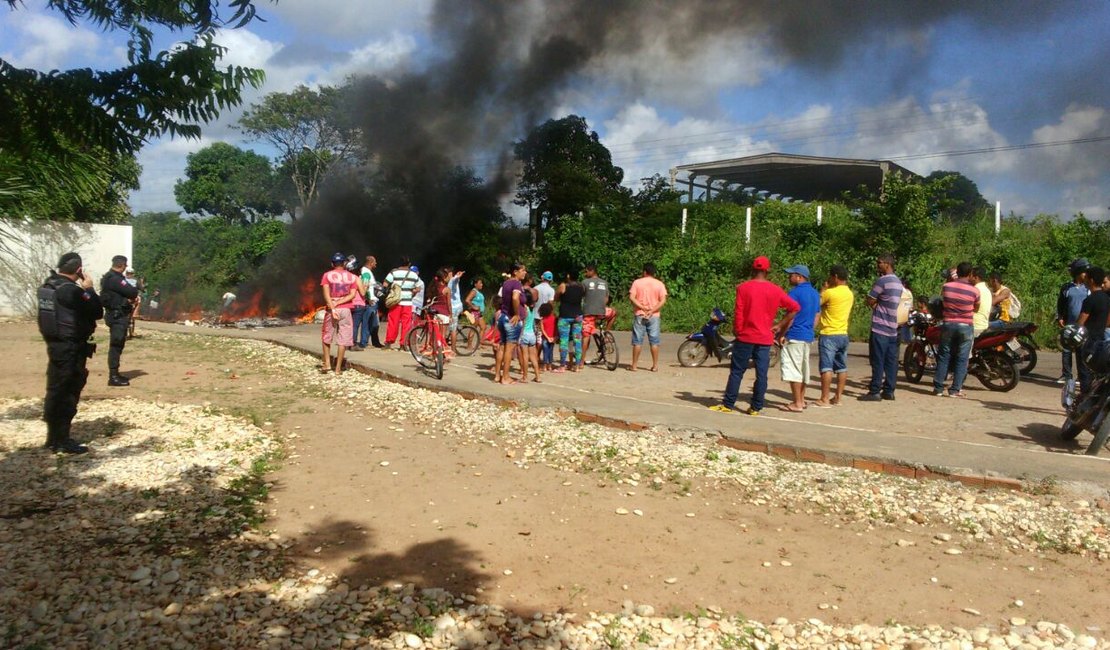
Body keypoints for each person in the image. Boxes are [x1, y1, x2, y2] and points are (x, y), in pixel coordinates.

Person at [710, 256, 800, 416]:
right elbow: (794, 308)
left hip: (746, 336)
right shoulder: (775, 289)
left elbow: (739, 312)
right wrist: (779, 325)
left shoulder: (743, 288)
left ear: (753, 269)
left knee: (737, 371)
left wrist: (737, 330)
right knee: (762, 374)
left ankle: (728, 404)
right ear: (767, 270)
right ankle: (756, 407)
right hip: (765, 338)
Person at [38, 252, 103, 454]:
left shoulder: (48, 286)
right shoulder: (71, 291)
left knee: (55, 388)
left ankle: (52, 437)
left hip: (55, 345)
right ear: (79, 270)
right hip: (71, 347)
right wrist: (89, 288)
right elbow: (96, 311)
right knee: (68, 391)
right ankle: (62, 439)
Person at [860, 253, 904, 402]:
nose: (877, 265)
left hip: (880, 326)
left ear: (887, 264)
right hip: (893, 327)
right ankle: (889, 390)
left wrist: (875, 304)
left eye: (879, 263)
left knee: (877, 360)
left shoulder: (882, 281)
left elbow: (871, 299)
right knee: (891, 361)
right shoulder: (898, 282)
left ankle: (874, 391)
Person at [933, 262, 980, 398]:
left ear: (957, 273)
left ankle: (938, 388)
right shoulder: (975, 291)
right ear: (970, 274)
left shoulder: (946, 287)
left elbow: (943, 303)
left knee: (944, 355)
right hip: (966, 326)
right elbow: (976, 308)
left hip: (948, 324)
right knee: (962, 357)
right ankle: (955, 390)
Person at [778, 264, 820, 412]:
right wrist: (809, 329)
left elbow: (790, 316)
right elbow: (817, 315)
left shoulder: (794, 293)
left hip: (795, 335)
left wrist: (781, 333)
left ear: (799, 277)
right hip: (807, 335)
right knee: (803, 369)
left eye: (791, 275)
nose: (789, 277)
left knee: (793, 370)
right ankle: (801, 400)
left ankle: (796, 403)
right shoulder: (815, 293)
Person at [813, 265, 855, 408]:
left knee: (826, 367)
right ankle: (838, 397)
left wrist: (823, 290)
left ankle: (824, 398)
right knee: (841, 367)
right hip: (843, 333)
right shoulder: (849, 293)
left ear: (835, 277)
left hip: (829, 333)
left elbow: (816, 304)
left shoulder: (829, 293)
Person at [100, 254, 139, 387]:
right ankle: (113, 376)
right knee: (116, 345)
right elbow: (132, 292)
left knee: (117, 344)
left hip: (114, 314)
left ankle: (115, 373)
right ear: (122, 265)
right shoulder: (115, 279)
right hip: (118, 316)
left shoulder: (107, 277)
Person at [320, 252, 361, 375]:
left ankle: (327, 363)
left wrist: (333, 307)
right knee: (343, 338)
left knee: (327, 336)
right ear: (344, 263)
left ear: (332, 264)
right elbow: (352, 295)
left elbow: (326, 294)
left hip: (331, 308)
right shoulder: (352, 277)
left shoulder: (327, 275)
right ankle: (337, 369)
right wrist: (340, 303)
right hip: (346, 309)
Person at [1056, 258, 1090, 384]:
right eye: (1084, 272)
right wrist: (1059, 317)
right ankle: (1066, 375)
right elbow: (1061, 304)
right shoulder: (1066, 288)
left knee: (1082, 352)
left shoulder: (1088, 288)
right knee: (1066, 350)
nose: (1086, 275)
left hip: (1083, 326)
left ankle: (1082, 377)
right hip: (1069, 324)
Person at [628, 262, 667, 372]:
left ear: (644, 271)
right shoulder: (659, 284)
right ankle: (655, 366)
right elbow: (663, 300)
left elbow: (632, 297)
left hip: (640, 314)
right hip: (654, 315)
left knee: (637, 341)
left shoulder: (637, 282)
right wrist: (652, 310)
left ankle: (634, 366)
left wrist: (642, 307)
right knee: (654, 341)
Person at [1075, 266, 1109, 392]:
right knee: (1097, 372)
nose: (1085, 280)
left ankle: (1084, 399)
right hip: (1101, 340)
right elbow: (1108, 321)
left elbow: (1081, 322)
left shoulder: (1090, 299)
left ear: (1092, 280)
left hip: (1087, 341)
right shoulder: (1106, 298)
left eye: (1087, 278)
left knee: (1084, 372)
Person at [496, 263, 528, 384]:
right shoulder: (516, 284)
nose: (524, 273)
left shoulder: (506, 283)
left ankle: (497, 375)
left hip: (503, 316)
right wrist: (516, 314)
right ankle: (505, 377)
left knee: (502, 346)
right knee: (510, 348)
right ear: (515, 272)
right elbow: (515, 298)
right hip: (511, 319)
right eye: (522, 270)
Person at [383, 257, 423, 349]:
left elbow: (385, 284)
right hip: (408, 303)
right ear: (409, 264)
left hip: (395, 301)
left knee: (393, 322)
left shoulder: (394, 272)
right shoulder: (413, 275)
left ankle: (389, 342)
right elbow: (418, 288)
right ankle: (403, 344)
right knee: (406, 324)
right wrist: (412, 291)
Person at [555, 272, 585, 372]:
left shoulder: (563, 286)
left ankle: (562, 365)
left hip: (565, 316)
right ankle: (577, 365)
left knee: (564, 341)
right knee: (577, 340)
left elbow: (556, 298)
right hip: (577, 316)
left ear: (568, 276)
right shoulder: (582, 287)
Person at [581, 264, 610, 362]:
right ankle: (606, 333)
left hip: (589, 313)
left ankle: (581, 361)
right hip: (602, 312)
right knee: (614, 313)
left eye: (586, 271)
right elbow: (606, 298)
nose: (585, 273)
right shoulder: (604, 282)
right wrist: (601, 306)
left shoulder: (585, 282)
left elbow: (581, 296)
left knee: (586, 335)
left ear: (592, 271)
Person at [357, 255, 382, 349]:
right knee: (367, 323)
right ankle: (364, 342)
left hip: (373, 301)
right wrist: (368, 299)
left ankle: (374, 342)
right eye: (375, 262)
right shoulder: (366, 272)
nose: (376, 263)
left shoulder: (367, 272)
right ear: (370, 262)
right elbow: (364, 286)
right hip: (370, 302)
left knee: (374, 324)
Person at [969, 266, 992, 339]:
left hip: (975, 326)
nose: (968, 278)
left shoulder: (975, 290)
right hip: (983, 325)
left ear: (976, 278)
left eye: (970, 276)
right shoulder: (986, 289)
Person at [538, 302, 556, 372]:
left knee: (545, 352)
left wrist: (547, 337)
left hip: (546, 338)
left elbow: (542, 330)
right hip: (552, 338)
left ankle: (544, 366)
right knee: (550, 352)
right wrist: (554, 337)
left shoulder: (542, 320)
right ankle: (550, 366)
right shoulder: (554, 318)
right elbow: (556, 329)